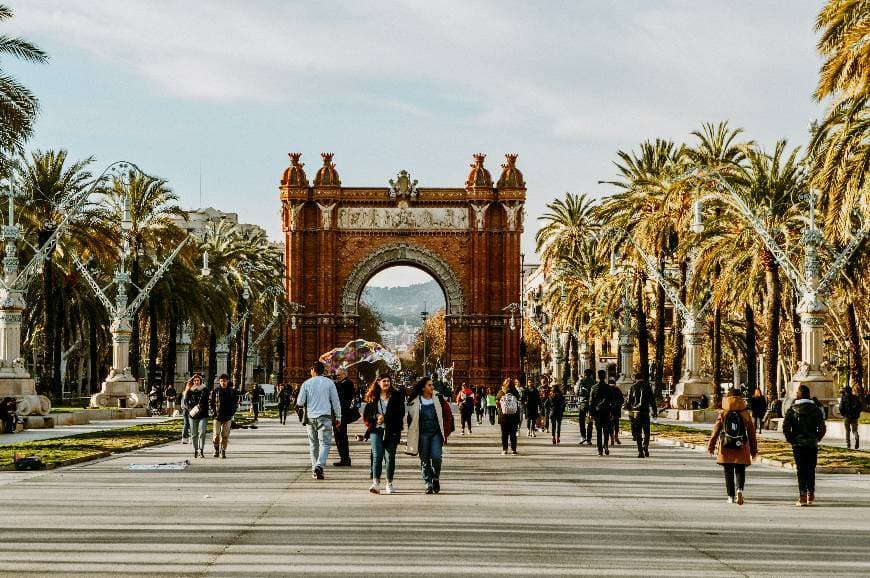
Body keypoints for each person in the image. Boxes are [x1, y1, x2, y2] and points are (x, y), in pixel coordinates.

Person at [707, 388, 757, 505]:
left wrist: (711, 446)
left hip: (726, 445)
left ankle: (731, 496)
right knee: (740, 469)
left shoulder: (723, 412)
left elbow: (716, 430)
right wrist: (753, 450)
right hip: (741, 445)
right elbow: (751, 433)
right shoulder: (745, 413)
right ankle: (739, 489)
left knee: (728, 471)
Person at [783, 384, 827, 506]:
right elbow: (822, 427)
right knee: (810, 469)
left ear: (798, 394)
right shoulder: (816, 410)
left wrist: (792, 439)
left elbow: (786, 427)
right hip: (812, 444)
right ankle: (810, 493)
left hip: (798, 444)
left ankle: (802, 495)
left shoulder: (792, 410)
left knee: (801, 470)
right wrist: (816, 438)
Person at [298, 361, 342, 480]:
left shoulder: (306, 383)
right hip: (325, 417)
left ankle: (315, 470)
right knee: (325, 443)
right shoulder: (329, 383)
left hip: (311, 418)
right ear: (323, 371)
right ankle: (319, 465)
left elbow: (300, 402)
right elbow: (335, 401)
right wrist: (338, 417)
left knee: (313, 444)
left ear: (313, 370)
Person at [363, 374, 405, 494]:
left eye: (388, 381)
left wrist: (385, 418)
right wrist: (376, 417)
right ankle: (375, 483)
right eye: (384, 381)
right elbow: (367, 414)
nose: (386, 383)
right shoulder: (373, 396)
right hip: (376, 430)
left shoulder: (396, 396)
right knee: (377, 456)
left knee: (390, 457)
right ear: (378, 383)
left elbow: (400, 413)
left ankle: (389, 483)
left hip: (392, 431)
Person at [406, 376, 447, 494]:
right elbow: (411, 420)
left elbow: (446, 414)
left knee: (436, 457)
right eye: (430, 385)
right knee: (424, 460)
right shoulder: (415, 401)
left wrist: (447, 430)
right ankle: (428, 483)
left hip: (435, 433)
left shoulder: (438, 398)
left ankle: (435, 478)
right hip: (422, 434)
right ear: (423, 388)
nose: (432, 387)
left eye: (432, 385)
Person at [625, 373, 657, 458]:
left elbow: (629, 401)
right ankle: (645, 445)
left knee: (638, 433)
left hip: (636, 413)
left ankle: (640, 451)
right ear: (642, 378)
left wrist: (628, 408)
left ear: (635, 378)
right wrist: (654, 411)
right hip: (645, 412)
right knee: (647, 431)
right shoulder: (647, 387)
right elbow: (652, 401)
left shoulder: (632, 387)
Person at [209, 374, 239, 459]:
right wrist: (213, 412)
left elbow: (235, 403)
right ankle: (216, 450)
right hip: (217, 417)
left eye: (225, 381)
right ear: (219, 381)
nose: (223, 383)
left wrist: (232, 412)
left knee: (225, 435)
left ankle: (223, 451)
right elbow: (210, 403)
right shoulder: (215, 391)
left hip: (227, 417)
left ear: (227, 381)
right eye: (221, 381)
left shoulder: (231, 391)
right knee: (216, 435)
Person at [333, 367, 357, 467]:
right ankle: (344, 458)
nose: (337, 377)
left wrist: (332, 382)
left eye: (339, 375)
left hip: (342, 414)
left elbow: (339, 391)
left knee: (341, 437)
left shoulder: (347, 383)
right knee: (338, 437)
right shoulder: (342, 383)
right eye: (336, 375)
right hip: (339, 414)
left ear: (345, 374)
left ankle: (345, 459)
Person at [184, 374, 209, 458]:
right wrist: (190, 409)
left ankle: (201, 450)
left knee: (202, 432)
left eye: (198, 380)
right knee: (194, 434)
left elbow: (205, 401)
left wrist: (199, 407)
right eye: (194, 381)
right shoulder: (189, 391)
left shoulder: (204, 389)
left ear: (200, 381)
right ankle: (195, 450)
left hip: (203, 414)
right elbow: (186, 402)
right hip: (193, 414)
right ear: (192, 382)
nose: (196, 382)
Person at [589, 370, 612, 456]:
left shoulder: (594, 388)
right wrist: (612, 412)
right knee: (606, 430)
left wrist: (591, 413)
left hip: (597, 412)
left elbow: (591, 402)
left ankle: (600, 450)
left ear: (598, 377)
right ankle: (605, 445)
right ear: (605, 376)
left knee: (599, 432)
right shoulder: (608, 387)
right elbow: (612, 400)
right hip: (606, 411)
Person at [496, 378, 521, 455]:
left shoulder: (501, 392)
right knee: (513, 434)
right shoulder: (515, 392)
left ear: (504, 384)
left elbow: (497, 403)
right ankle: (514, 450)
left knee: (504, 434)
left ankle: (505, 449)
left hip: (503, 417)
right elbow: (519, 401)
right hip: (514, 416)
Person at [839, 385, 863, 449]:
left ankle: (848, 443)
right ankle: (856, 436)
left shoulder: (843, 398)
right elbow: (860, 406)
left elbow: (841, 407)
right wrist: (857, 414)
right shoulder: (856, 397)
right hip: (855, 416)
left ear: (845, 391)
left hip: (847, 416)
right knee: (854, 430)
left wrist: (843, 414)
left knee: (847, 430)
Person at [576, 368, 595, 446]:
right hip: (591, 403)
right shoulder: (594, 382)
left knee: (581, 420)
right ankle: (589, 439)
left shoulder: (581, 381)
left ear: (585, 374)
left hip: (583, 403)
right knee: (590, 420)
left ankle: (583, 436)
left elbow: (577, 392)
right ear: (591, 375)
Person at [608, 379, 625, 445]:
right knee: (616, 424)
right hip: (616, 409)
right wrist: (618, 405)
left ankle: (611, 438)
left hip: (609, 409)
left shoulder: (607, 390)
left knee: (610, 424)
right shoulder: (617, 390)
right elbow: (622, 400)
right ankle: (616, 437)